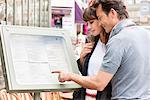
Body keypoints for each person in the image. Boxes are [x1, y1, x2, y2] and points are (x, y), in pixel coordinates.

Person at [53, 0, 150, 99]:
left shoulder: (117, 40)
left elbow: (99, 83)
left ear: (112, 13)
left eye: (100, 18)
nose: (100, 23)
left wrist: (70, 76)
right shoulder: (146, 34)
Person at [73, 7, 111, 100]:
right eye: (87, 23)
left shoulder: (113, 45)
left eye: (91, 22)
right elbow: (86, 74)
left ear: (101, 19)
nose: (89, 27)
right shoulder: (92, 43)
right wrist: (82, 59)